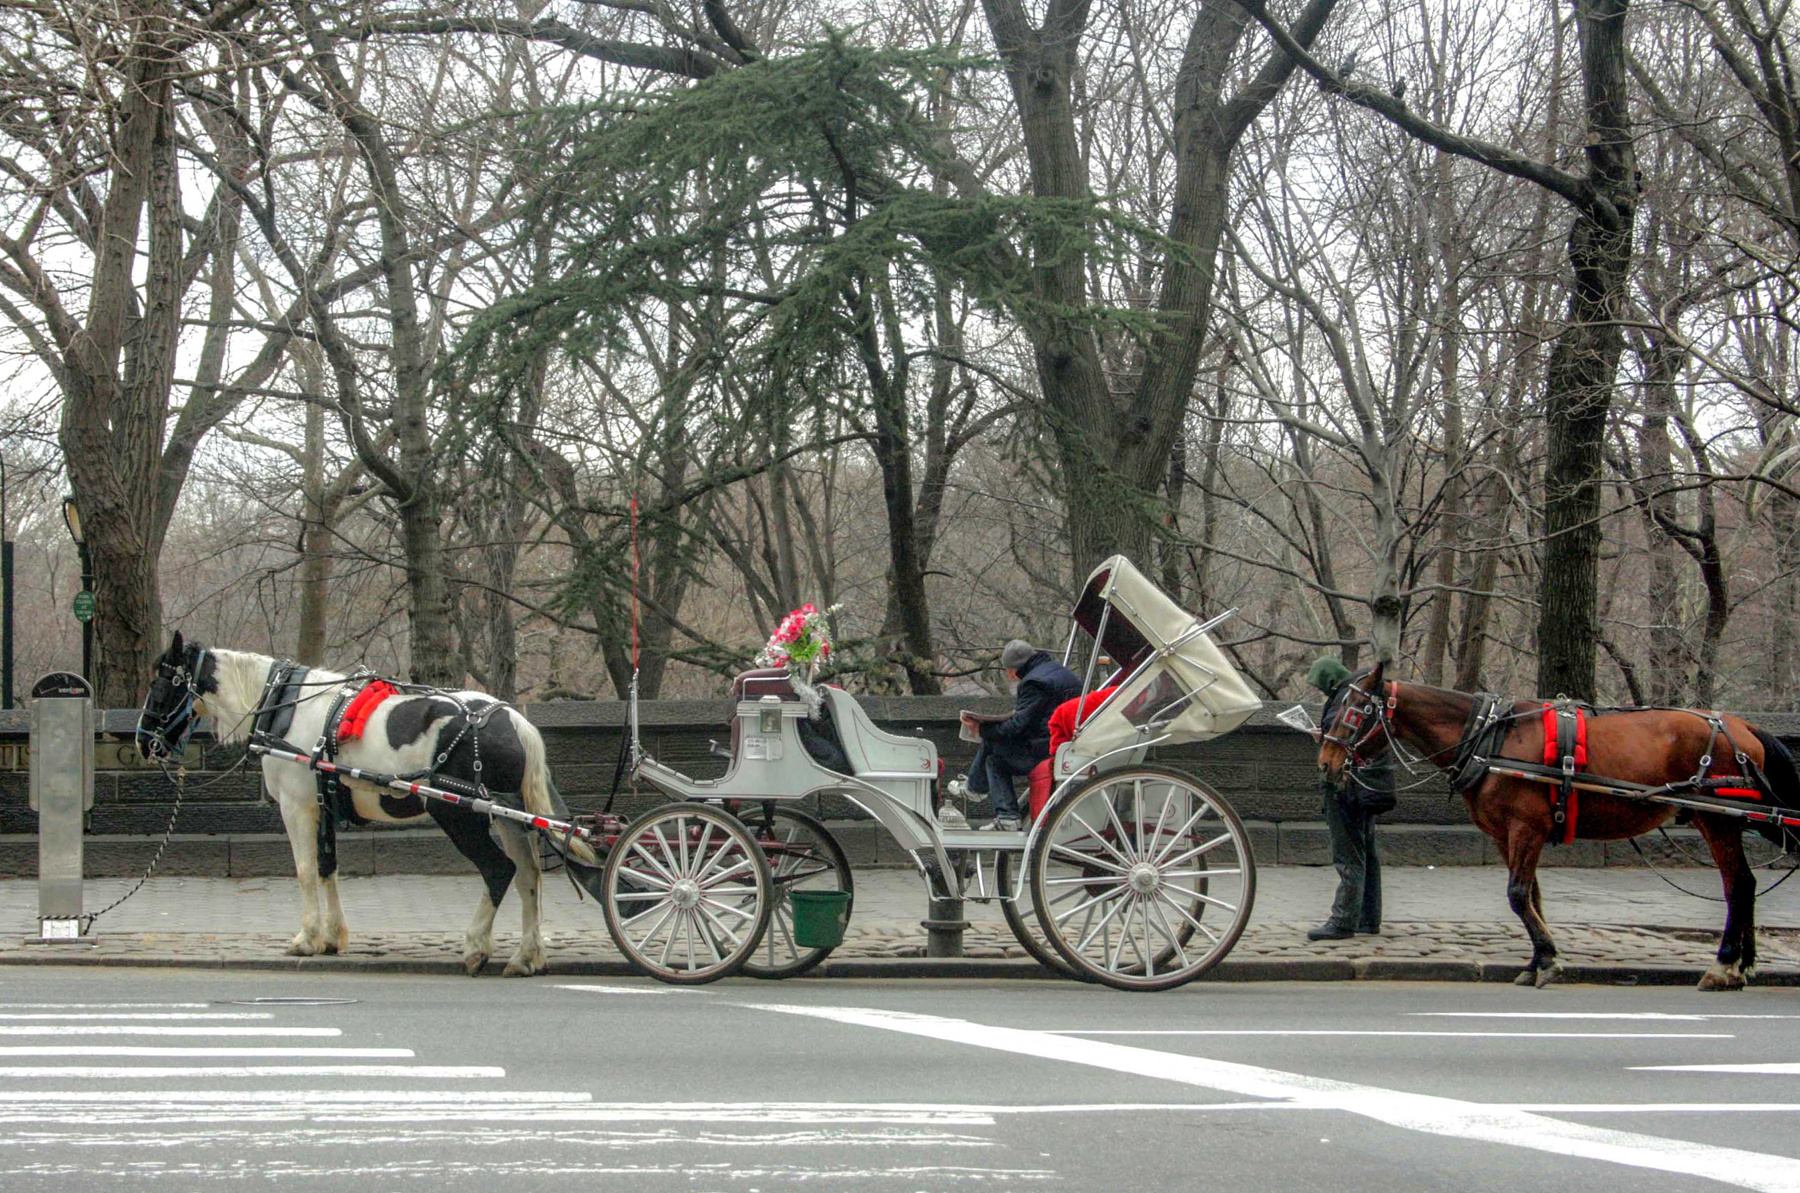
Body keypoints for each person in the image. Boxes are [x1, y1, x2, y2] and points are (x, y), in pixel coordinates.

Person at [1306, 654, 1395, 940]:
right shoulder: (1361, 693)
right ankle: (1368, 918)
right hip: (1366, 786)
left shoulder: (1346, 700)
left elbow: (1344, 741)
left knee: (1348, 856)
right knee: (1366, 852)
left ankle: (1342, 921)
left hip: (1345, 786)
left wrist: (1322, 738)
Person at [951, 639, 1082, 829]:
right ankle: (984, 797)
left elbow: (1017, 726)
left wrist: (982, 729)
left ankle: (986, 798)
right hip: (1063, 743)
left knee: (994, 756)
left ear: (1014, 668)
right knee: (994, 748)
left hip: (1045, 748)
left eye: (1008, 670)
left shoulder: (1033, 683)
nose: (1009, 675)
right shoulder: (1062, 673)